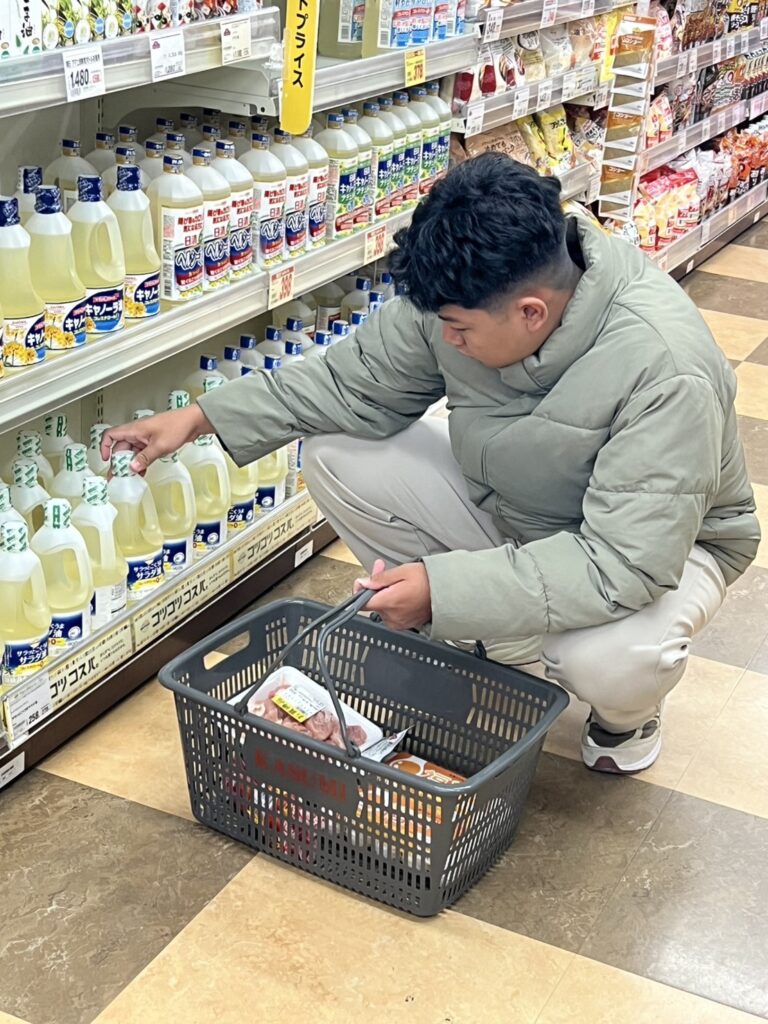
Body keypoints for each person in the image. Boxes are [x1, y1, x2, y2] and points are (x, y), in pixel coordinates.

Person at [102, 153, 759, 775]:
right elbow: (351, 382)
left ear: (531, 313)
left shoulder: (665, 368)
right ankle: (495, 645)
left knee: (608, 656)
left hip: (662, 553)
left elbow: (621, 562)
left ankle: (628, 720)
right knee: (336, 452)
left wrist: (443, 590)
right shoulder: (471, 294)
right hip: (522, 512)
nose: (447, 339)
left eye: (460, 330)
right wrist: (201, 418)